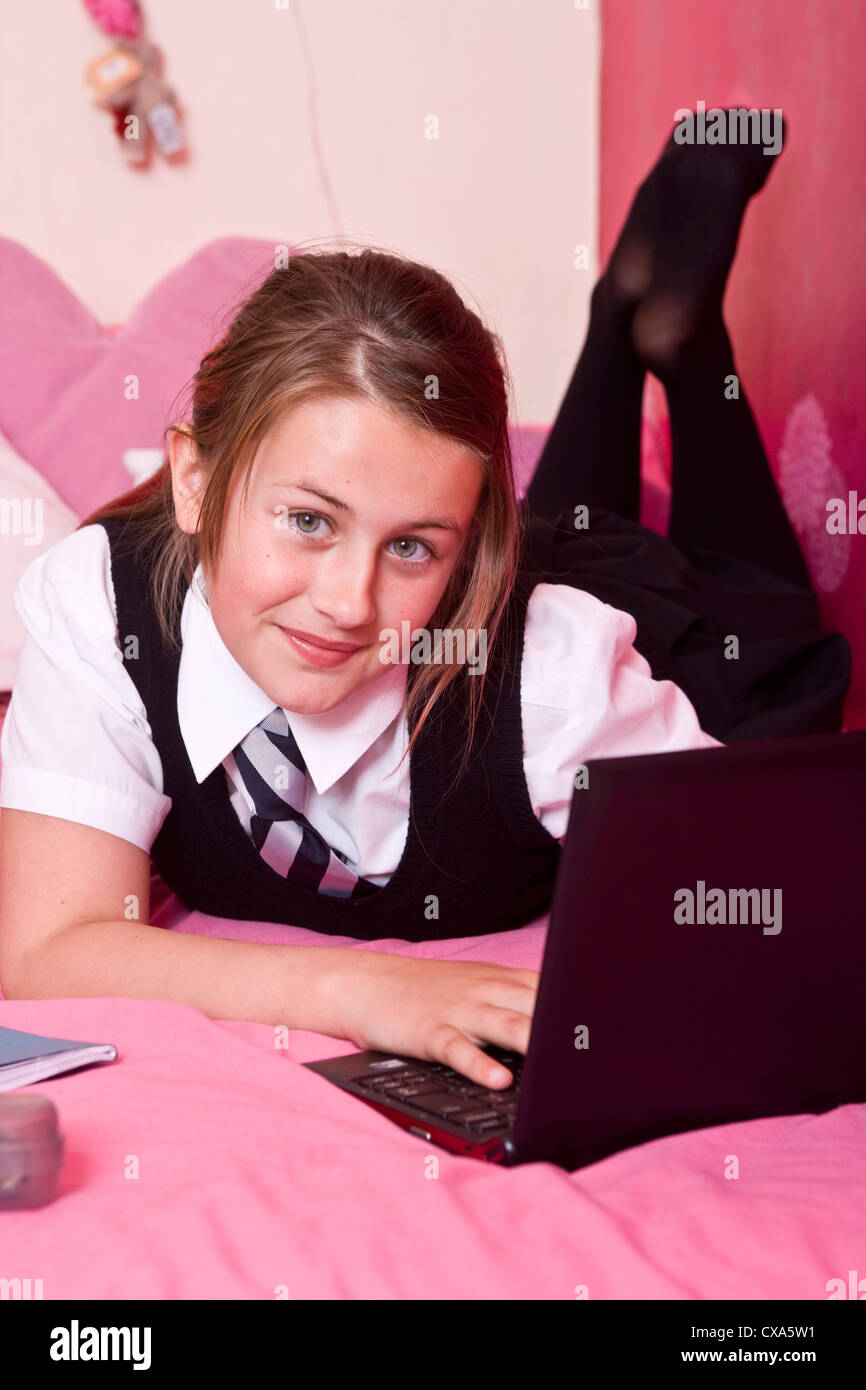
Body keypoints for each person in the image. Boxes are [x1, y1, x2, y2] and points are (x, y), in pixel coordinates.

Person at [0, 116, 850, 1092]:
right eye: (308, 522)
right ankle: (617, 319)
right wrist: (366, 992)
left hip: (618, 625)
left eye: (406, 547)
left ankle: (676, 339)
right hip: (502, 559)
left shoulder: (557, 672)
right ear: (191, 479)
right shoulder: (100, 604)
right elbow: (49, 947)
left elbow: (760, 899)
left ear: (460, 547)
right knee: (543, 523)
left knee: (758, 619)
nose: (347, 603)